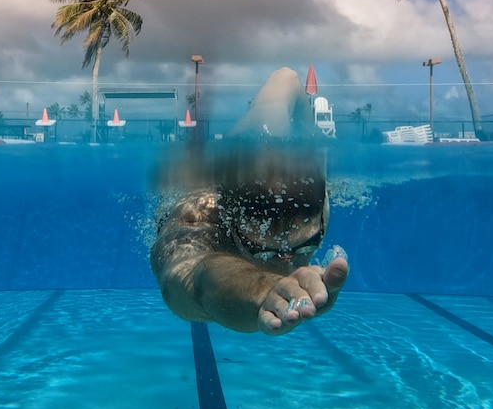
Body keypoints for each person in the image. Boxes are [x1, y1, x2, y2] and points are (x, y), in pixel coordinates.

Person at [149, 68, 350, 335]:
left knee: (285, 80)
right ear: (232, 225)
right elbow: (192, 281)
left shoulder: (319, 199)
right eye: (264, 252)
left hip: (259, 149)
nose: (286, 264)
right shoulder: (196, 219)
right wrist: (260, 288)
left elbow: (289, 77)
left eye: (304, 246)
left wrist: (303, 124)